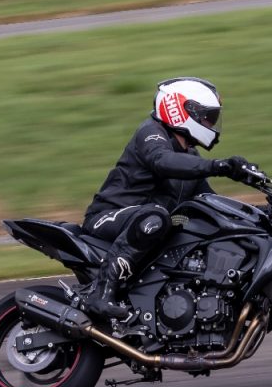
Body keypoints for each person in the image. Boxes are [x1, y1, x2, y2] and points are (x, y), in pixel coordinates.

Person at [81, 77, 254, 320]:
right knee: (156, 216)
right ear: (181, 111)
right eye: (207, 117)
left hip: (147, 224)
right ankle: (102, 293)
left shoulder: (189, 156)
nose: (210, 123)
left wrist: (254, 216)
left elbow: (209, 202)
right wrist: (219, 166)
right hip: (106, 217)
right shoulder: (151, 133)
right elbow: (162, 161)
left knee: (195, 227)